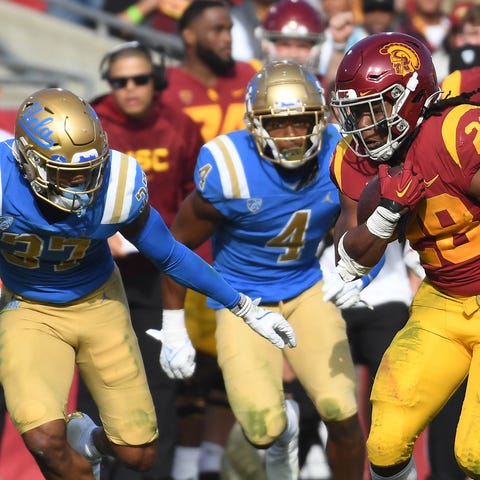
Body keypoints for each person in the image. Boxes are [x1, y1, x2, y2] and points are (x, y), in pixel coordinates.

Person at [0, 86, 296, 480]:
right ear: (27, 161)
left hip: (100, 301)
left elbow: (170, 254)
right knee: (45, 442)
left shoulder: (117, 184)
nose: (83, 184)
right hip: (29, 306)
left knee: (138, 456)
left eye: (89, 170)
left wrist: (243, 306)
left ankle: (89, 440)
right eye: (66, 173)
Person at [160, 59, 366, 480]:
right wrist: (174, 324)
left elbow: (359, 223)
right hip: (242, 301)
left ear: (320, 119)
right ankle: (282, 433)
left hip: (307, 289)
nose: (291, 136)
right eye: (278, 124)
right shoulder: (230, 167)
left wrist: (356, 270)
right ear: (256, 124)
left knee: (341, 410)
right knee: (262, 429)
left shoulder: (339, 152)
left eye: (301, 122)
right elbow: (176, 246)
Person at [329, 30, 480, 479]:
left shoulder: (454, 133)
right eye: (355, 113)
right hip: (442, 301)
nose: (363, 126)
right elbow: (350, 257)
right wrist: (385, 216)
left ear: (409, 99)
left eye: (373, 111)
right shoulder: (356, 158)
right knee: (386, 440)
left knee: (474, 451)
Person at [74, 40, 204, 480]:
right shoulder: (88, 122)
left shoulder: (181, 127)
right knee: (96, 385)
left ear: (157, 81)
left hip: (157, 275)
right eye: (118, 81)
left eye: (140, 79)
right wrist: (94, 232)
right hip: (94, 271)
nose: (129, 89)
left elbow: (197, 202)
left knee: (158, 384)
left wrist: (159, 239)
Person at [161, 2, 262, 477]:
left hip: (253, 248)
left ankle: (210, 466)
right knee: (189, 373)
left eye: (229, 27)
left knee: (229, 369)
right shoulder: (167, 90)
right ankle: (184, 465)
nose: (228, 37)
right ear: (188, 36)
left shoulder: (256, 76)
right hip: (196, 247)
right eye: (216, 29)